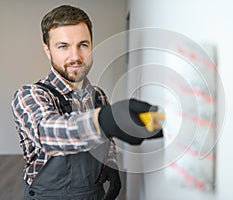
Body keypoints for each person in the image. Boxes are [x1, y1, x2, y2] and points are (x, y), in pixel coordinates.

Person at [11, 5, 163, 200]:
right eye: (63, 46)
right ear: (47, 50)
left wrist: (110, 164)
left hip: (93, 194)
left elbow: (108, 142)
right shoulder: (29, 95)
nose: (75, 56)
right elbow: (47, 133)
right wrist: (102, 121)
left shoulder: (98, 95)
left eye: (83, 45)